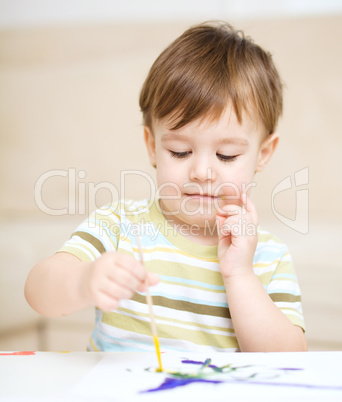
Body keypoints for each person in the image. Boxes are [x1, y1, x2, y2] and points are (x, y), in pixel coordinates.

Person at [25, 21, 307, 353]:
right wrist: (83, 282)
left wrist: (240, 275)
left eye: (226, 155)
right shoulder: (118, 226)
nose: (202, 171)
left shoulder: (267, 256)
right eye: (180, 152)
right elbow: (37, 292)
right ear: (152, 145)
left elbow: (289, 359)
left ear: (263, 154)